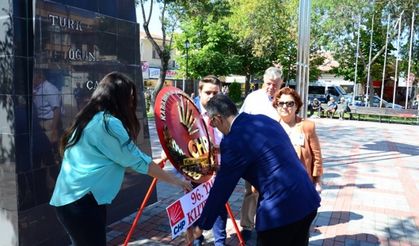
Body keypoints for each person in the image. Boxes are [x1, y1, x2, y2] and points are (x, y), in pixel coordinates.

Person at [49, 72, 192, 246]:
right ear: (118, 98)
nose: (132, 102)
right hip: (82, 204)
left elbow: (130, 156)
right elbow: (137, 161)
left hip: (73, 200)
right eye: (130, 97)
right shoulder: (107, 124)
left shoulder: (90, 117)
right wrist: (176, 181)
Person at [187, 94, 320, 246]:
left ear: (217, 119)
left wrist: (201, 225)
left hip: (281, 211)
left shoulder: (233, 141)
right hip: (307, 199)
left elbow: (221, 189)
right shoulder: (264, 120)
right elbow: (267, 156)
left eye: (214, 124)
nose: (215, 127)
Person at [238, 66, 283, 240]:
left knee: (272, 192)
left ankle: (267, 224)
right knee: (251, 191)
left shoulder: (284, 99)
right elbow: (241, 121)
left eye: (275, 84)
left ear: (281, 84)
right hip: (253, 152)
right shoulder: (253, 98)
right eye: (268, 83)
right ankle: (247, 225)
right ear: (263, 82)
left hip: (276, 154)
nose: (271, 87)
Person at [192, 75, 227, 246]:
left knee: (219, 207)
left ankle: (220, 242)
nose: (212, 96)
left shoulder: (224, 112)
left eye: (216, 93)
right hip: (195, 170)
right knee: (195, 207)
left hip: (219, 168)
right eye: (208, 92)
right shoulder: (189, 112)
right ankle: (197, 239)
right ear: (199, 92)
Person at [273, 87, 323, 193]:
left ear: (296, 106)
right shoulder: (272, 128)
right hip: (278, 182)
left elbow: (317, 156)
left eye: (290, 103)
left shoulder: (307, 126)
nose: (285, 106)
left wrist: (317, 180)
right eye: (281, 103)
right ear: (276, 106)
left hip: (302, 181)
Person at [33, 69, 62, 148]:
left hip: (49, 122)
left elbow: (56, 109)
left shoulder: (49, 88)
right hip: (41, 121)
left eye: (33, 77)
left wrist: (53, 128)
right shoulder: (38, 88)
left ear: (39, 77)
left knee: (51, 147)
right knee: (43, 147)